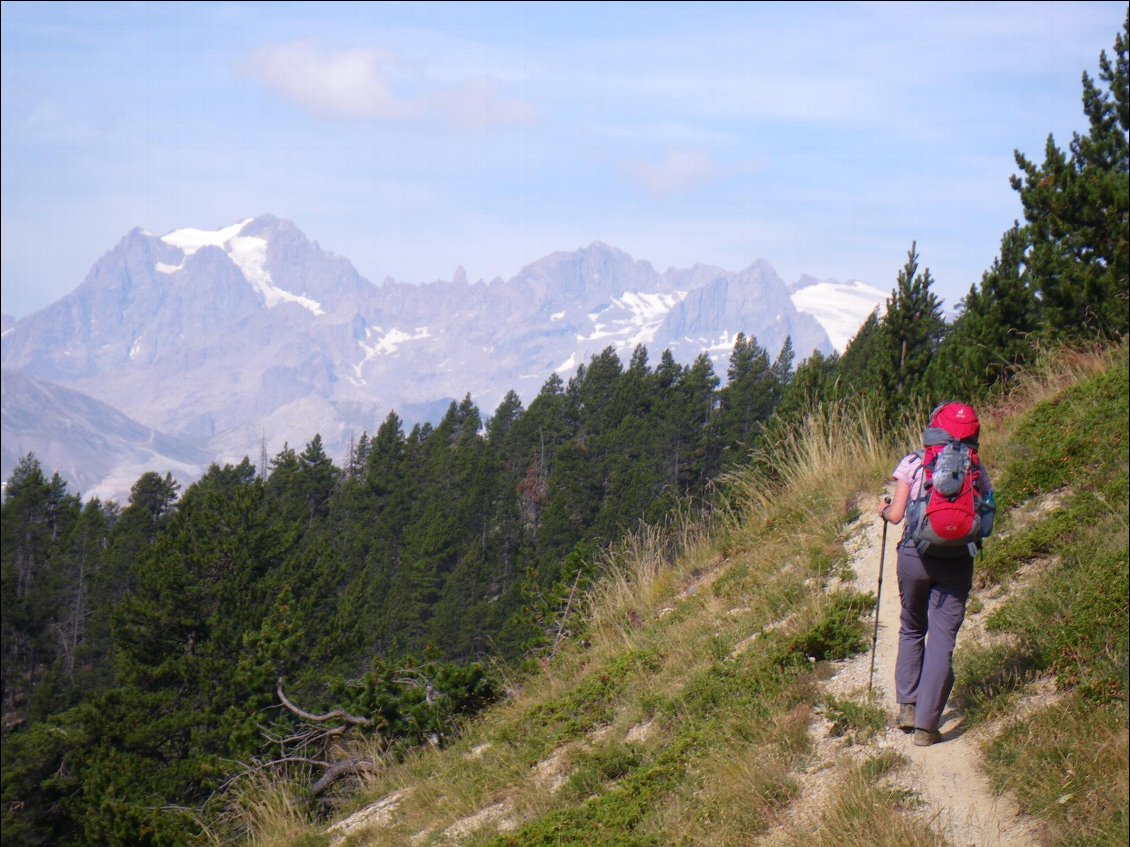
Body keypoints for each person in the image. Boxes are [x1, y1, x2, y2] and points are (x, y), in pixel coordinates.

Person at [878, 402, 991, 747]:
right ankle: (926, 728)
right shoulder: (975, 467)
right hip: (957, 559)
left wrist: (883, 510)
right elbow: (985, 520)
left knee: (912, 627)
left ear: (932, 430)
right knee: (942, 639)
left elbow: (897, 515)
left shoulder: (913, 463)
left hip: (915, 555)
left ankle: (908, 708)